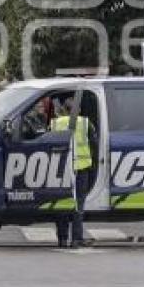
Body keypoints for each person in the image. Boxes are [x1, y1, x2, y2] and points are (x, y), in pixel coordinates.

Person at [52, 99, 93, 248]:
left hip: (62, 169)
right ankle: (76, 239)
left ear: (64, 109)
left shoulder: (56, 123)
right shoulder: (85, 123)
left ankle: (62, 239)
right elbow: (94, 140)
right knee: (78, 205)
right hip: (81, 168)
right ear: (79, 110)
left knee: (62, 205)